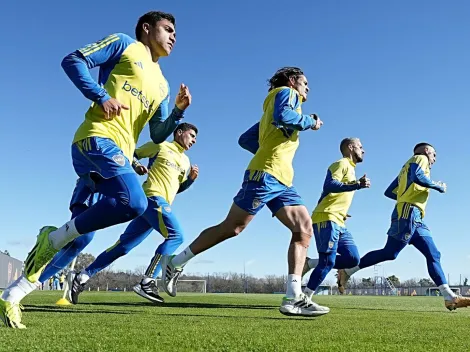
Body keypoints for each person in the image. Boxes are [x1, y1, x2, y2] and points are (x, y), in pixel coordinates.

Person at [0, 10, 192, 329]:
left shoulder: (163, 85)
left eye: (176, 33)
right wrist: (101, 96)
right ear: (147, 28)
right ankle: (52, 239)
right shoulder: (124, 45)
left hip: (113, 158)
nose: (173, 36)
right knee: (136, 202)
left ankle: (14, 294)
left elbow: (157, 133)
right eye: (168, 29)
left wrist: (177, 113)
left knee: (81, 238)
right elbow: (73, 60)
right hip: (94, 141)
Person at [160, 67, 328, 317]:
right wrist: (310, 122)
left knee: (304, 228)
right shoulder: (286, 94)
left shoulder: (270, 110)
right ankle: (175, 262)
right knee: (232, 228)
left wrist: (266, 150)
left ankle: (294, 297)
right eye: (305, 83)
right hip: (266, 176)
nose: (308, 88)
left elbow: (246, 139)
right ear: (293, 81)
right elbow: (285, 116)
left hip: (281, 180)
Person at [69, 123, 199, 304]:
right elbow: (131, 154)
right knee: (176, 235)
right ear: (179, 133)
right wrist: (137, 165)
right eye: (191, 135)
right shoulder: (160, 145)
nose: (194, 140)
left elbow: (178, 188)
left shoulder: (186, 162)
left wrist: (190, 180)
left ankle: (81, 277)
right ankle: (148, 282)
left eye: (195, 138)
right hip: (152, 198)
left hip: (158, 207)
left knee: (123, 247)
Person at [337, 143, 470, 311]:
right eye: (434, 155)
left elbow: (389, 191)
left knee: (433, 254)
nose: (434, 159)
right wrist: (437, 186)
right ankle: (347, 270)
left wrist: (403, 196)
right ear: (427, 151)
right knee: (390, 253)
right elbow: (418, 176)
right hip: (408, 213)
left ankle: (449, 297)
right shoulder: (419, 158)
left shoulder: (405, 168)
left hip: (416, 216)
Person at [301, 138, 370, 306]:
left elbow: (327, 194)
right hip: (327, 218)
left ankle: (310, 263)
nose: (364, 150)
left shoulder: (351, 169)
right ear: (351, 147)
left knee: (353, 259)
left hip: (338, 220)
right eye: (360, 147)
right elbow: (329, 185)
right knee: (327, 261)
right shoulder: (341, 164)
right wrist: (356, 185)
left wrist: (342, 211)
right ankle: (304, 299)